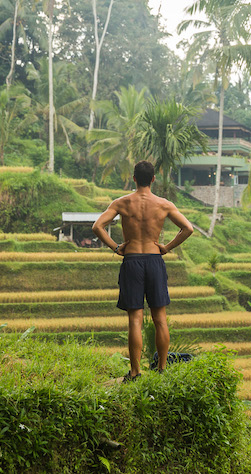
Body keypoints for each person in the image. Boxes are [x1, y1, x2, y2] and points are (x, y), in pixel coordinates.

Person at [92, 160, 193, 382]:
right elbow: (188, 228)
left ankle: (136, 372)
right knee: (160, 319)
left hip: (132, 260)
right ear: (153, 179)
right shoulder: (164, 204)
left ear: (134, 178)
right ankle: (162, 370)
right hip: (155, 260)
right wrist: (167, 248)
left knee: (135, 320)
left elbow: (97, 226)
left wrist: (116, 247)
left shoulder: (122, 203)